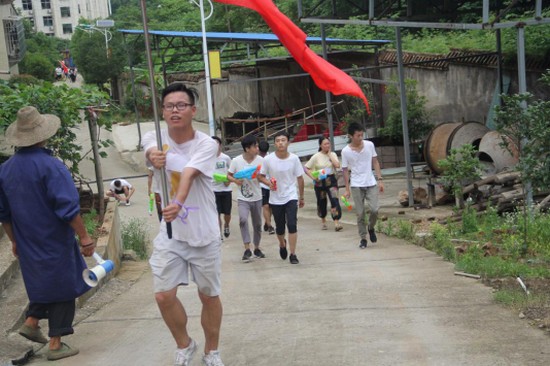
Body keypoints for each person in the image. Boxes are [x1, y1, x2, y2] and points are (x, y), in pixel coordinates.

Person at [0, 106, 96, 361]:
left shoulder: (5, 170)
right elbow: (68, 209)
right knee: (65, 285)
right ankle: (56, 343)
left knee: (44, 282)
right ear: (44, 134)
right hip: (54, 238)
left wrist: (14, 241)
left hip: (27, 240)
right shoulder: (51, 167)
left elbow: (4, 214)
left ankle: (31, 323)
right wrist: (85, 237)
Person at [141, 83, 224, 366]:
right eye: (169, 106)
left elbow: (188, 174)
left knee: (209, 295)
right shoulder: (155, 135)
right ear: (162, 111)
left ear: (192, 110)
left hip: (203, 233)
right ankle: (185, 344)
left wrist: (177, 202)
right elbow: (150, 151)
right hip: (170, 233)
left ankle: (212, 351)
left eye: (181, 105)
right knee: (164, 295)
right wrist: (153, 157)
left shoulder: (206, 144)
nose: (174, 110)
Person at [259, 131, 305, 264]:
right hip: (275, 198)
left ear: (288, 142)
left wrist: (301, 197)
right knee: (280, 228)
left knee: (292, 224)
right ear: (274, 144)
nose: (280, 143)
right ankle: (282, 244)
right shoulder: (268, 159)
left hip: (291, 196)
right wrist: (269, 184)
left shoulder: (294, 159)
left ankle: (293, 254)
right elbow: (260, 176)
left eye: (283, 140)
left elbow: (300, 178)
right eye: (278, 140)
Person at [341, 122, 385, 249]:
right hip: (356, 184)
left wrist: (380, 179)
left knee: (375, 209)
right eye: (358, 136)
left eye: (362, 135)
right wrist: (347, 189)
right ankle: (363, 238)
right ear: (351, 136)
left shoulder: (369, 145)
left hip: (370, 182)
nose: (360, 138)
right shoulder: (345, 151)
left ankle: (371, 228)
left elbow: (375, 162)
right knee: (360, 214)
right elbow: (344, 170)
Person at [227, 135, 265, 261]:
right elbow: (229, 175)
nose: (257, 148)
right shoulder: (236, 161)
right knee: (243, 219)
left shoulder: (261, 160)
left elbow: (265, 176)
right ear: (247, 148)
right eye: (255, 146)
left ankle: (257, 247)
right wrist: (235, 181)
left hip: (257, 196)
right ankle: (247, 248)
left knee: (258, 224)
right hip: (243, 198)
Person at [304, 137, 343, 232]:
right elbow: (306, 168)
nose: (327, 146)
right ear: (320, 145)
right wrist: (313, 177)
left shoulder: (332, 154)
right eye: (325, 144)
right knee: (322, 202)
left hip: (331, 181)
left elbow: (337, 165)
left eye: (328, 144)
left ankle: (336, 222)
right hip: (320, 182)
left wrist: (330, 155)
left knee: (334, 200)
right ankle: (323, 221)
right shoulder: (316, 156)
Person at [211, 136, 232, 240]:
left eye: (216, 144)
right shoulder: (208, 158)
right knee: (216, 213)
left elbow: (232, 171)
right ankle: (219, 234)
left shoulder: (226, 158)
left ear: (220, 145)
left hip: (226, 189)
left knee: (227, 213)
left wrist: (228, 180)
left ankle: (226, 225)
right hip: (213, 190)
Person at [258, 140, 275, 235]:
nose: (263, 154)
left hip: (271, 185)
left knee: (271, 207)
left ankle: (266, 222)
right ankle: (270, 226)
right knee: (266, 205)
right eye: (262, 152)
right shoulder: (256, 159)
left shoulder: (270, 158)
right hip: (262, 185)